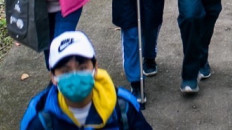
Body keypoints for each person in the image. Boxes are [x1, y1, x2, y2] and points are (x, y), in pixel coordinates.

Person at [20, 31, 150, 130]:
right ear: (53, 77)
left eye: (82, 68)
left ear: (95, 68)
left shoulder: (123, 106)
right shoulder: (39, 118)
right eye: (65, 71)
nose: (75, 75)